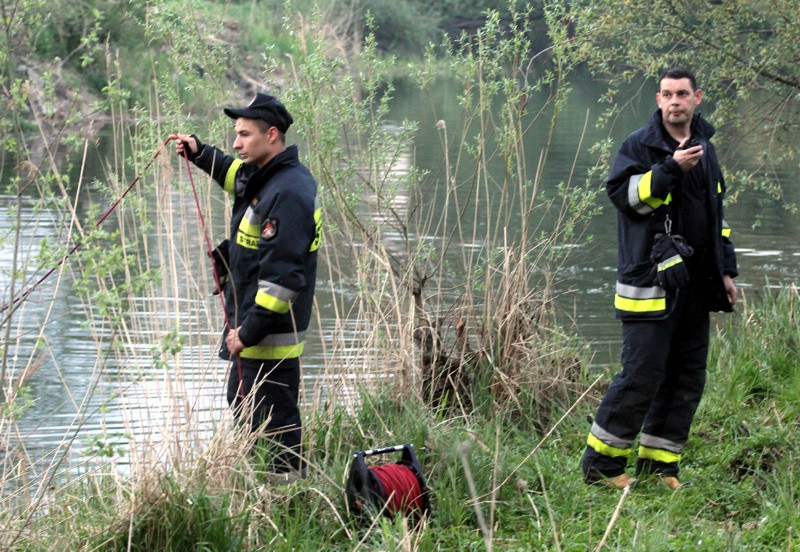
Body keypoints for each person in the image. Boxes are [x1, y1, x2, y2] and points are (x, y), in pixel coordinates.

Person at [581, 67, 738, 490]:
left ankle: (660, 467)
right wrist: (670, 168)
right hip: (648, 285)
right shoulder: (640, 145)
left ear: (697, 98)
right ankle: (602, 466)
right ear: (658, 100)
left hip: (696, 286)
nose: (675, 102)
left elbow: (716, 219)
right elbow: (626, 199)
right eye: (667, 94)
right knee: (641, 374)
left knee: (686, 377)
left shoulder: (707, 148)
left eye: (682, 94)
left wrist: (725, 270)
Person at [172, 93, 321, 475]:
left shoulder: (287, 193)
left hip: (267, 337)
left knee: (274, 425)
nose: (236, 144)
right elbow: (233, 175)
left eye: (244, 135)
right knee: (244, 408)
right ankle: (257, 495)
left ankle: (287, 501)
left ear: (271, 135)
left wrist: (246, 333)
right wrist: (199, 152)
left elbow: (283, 282)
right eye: (235, 136)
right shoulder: (266, 176)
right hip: (252, 330)